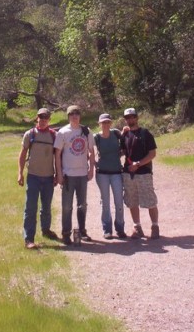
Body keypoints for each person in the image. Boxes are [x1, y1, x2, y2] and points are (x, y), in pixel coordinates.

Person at [18, 107, 59, 249]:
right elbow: (22, 154)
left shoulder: (54, 135)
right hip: (33, 177)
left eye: (45, 118)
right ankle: (29, 239)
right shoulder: (30, 134)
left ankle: (46, 230)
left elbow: (58, 157)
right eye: (41, 118)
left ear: (49, 120)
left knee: (46, 207)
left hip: (48, 177)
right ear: (37, 118)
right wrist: (20, 173)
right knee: (30, 208)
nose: (43, 121)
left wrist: (57, 175)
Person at [54, 105, 95, 245]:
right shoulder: (63, 132)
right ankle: (66, 233)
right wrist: (59, 173)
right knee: (67, 206)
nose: (74, 116)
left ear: (80, 116)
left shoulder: (86, 131)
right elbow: (57, 154)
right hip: (68, 175)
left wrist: (91, 170)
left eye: (77, 113)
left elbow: (91, 151)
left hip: (82, 174)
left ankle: (82, 231)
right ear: (68, 116)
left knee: (82, 204)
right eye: (71, 114)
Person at [121, 107, 160, 239]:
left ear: (137, 118)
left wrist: (138, 164)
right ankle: (137, 227)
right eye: (127, 118)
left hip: (144, 173)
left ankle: (155, 226)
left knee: (150, 200)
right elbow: (121, 152)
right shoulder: (125, 135)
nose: (130, 119)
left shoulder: (146, 133)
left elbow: (152, 153)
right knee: (132, 201)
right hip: (128, 173)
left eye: (132, 117)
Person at [94, 113, 127, 240]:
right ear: (100, 124)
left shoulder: (116, 134)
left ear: (110, 123)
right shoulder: (96, 137)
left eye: (108, 122)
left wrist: (118, 155)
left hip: (117, 172)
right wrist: (94, 162)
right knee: (106, 203)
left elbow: (125, 144)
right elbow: (86, 148)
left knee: (119, 202)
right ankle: (107, 229)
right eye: (103, 123)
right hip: (102, 173)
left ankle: (120, 228)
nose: (106, 125)